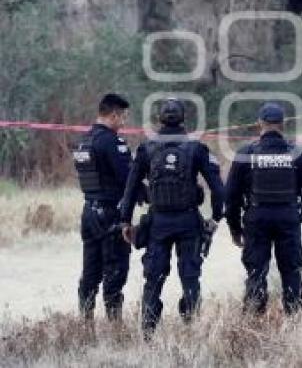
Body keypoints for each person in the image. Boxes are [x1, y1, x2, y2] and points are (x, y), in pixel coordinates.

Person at [119, 98, 224, 337]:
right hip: (188, 222)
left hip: (158, 223)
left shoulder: (146, 148)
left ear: (159, 119)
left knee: (153, 278)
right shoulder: (197, 148)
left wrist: (125, 220)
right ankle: (192, 327)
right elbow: (219, 189)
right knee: (190, 277)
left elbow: (131, 186)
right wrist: (216, 218)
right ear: (184, 119)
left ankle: (148, 333)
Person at [225, 103, 302, 315]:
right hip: (288, 217)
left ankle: (254, 322)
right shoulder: (298, 153)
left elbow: (231, 195)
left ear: (260, 124)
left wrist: (234, 229)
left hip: (256, 217)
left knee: (256, 272)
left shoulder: (246, 153)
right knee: (291, 272)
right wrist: (297, 188)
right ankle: (296, 322)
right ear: (282, 125)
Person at [73, 93, 133, 322]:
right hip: (109, 215)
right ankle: (115, 326)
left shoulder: (84, 140)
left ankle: (85, 324)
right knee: (115, 270)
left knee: (90, 272)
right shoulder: (111, 142)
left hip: (89, 212)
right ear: (114, 115)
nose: (124, 123)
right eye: (123, 118)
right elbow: (128, 179)